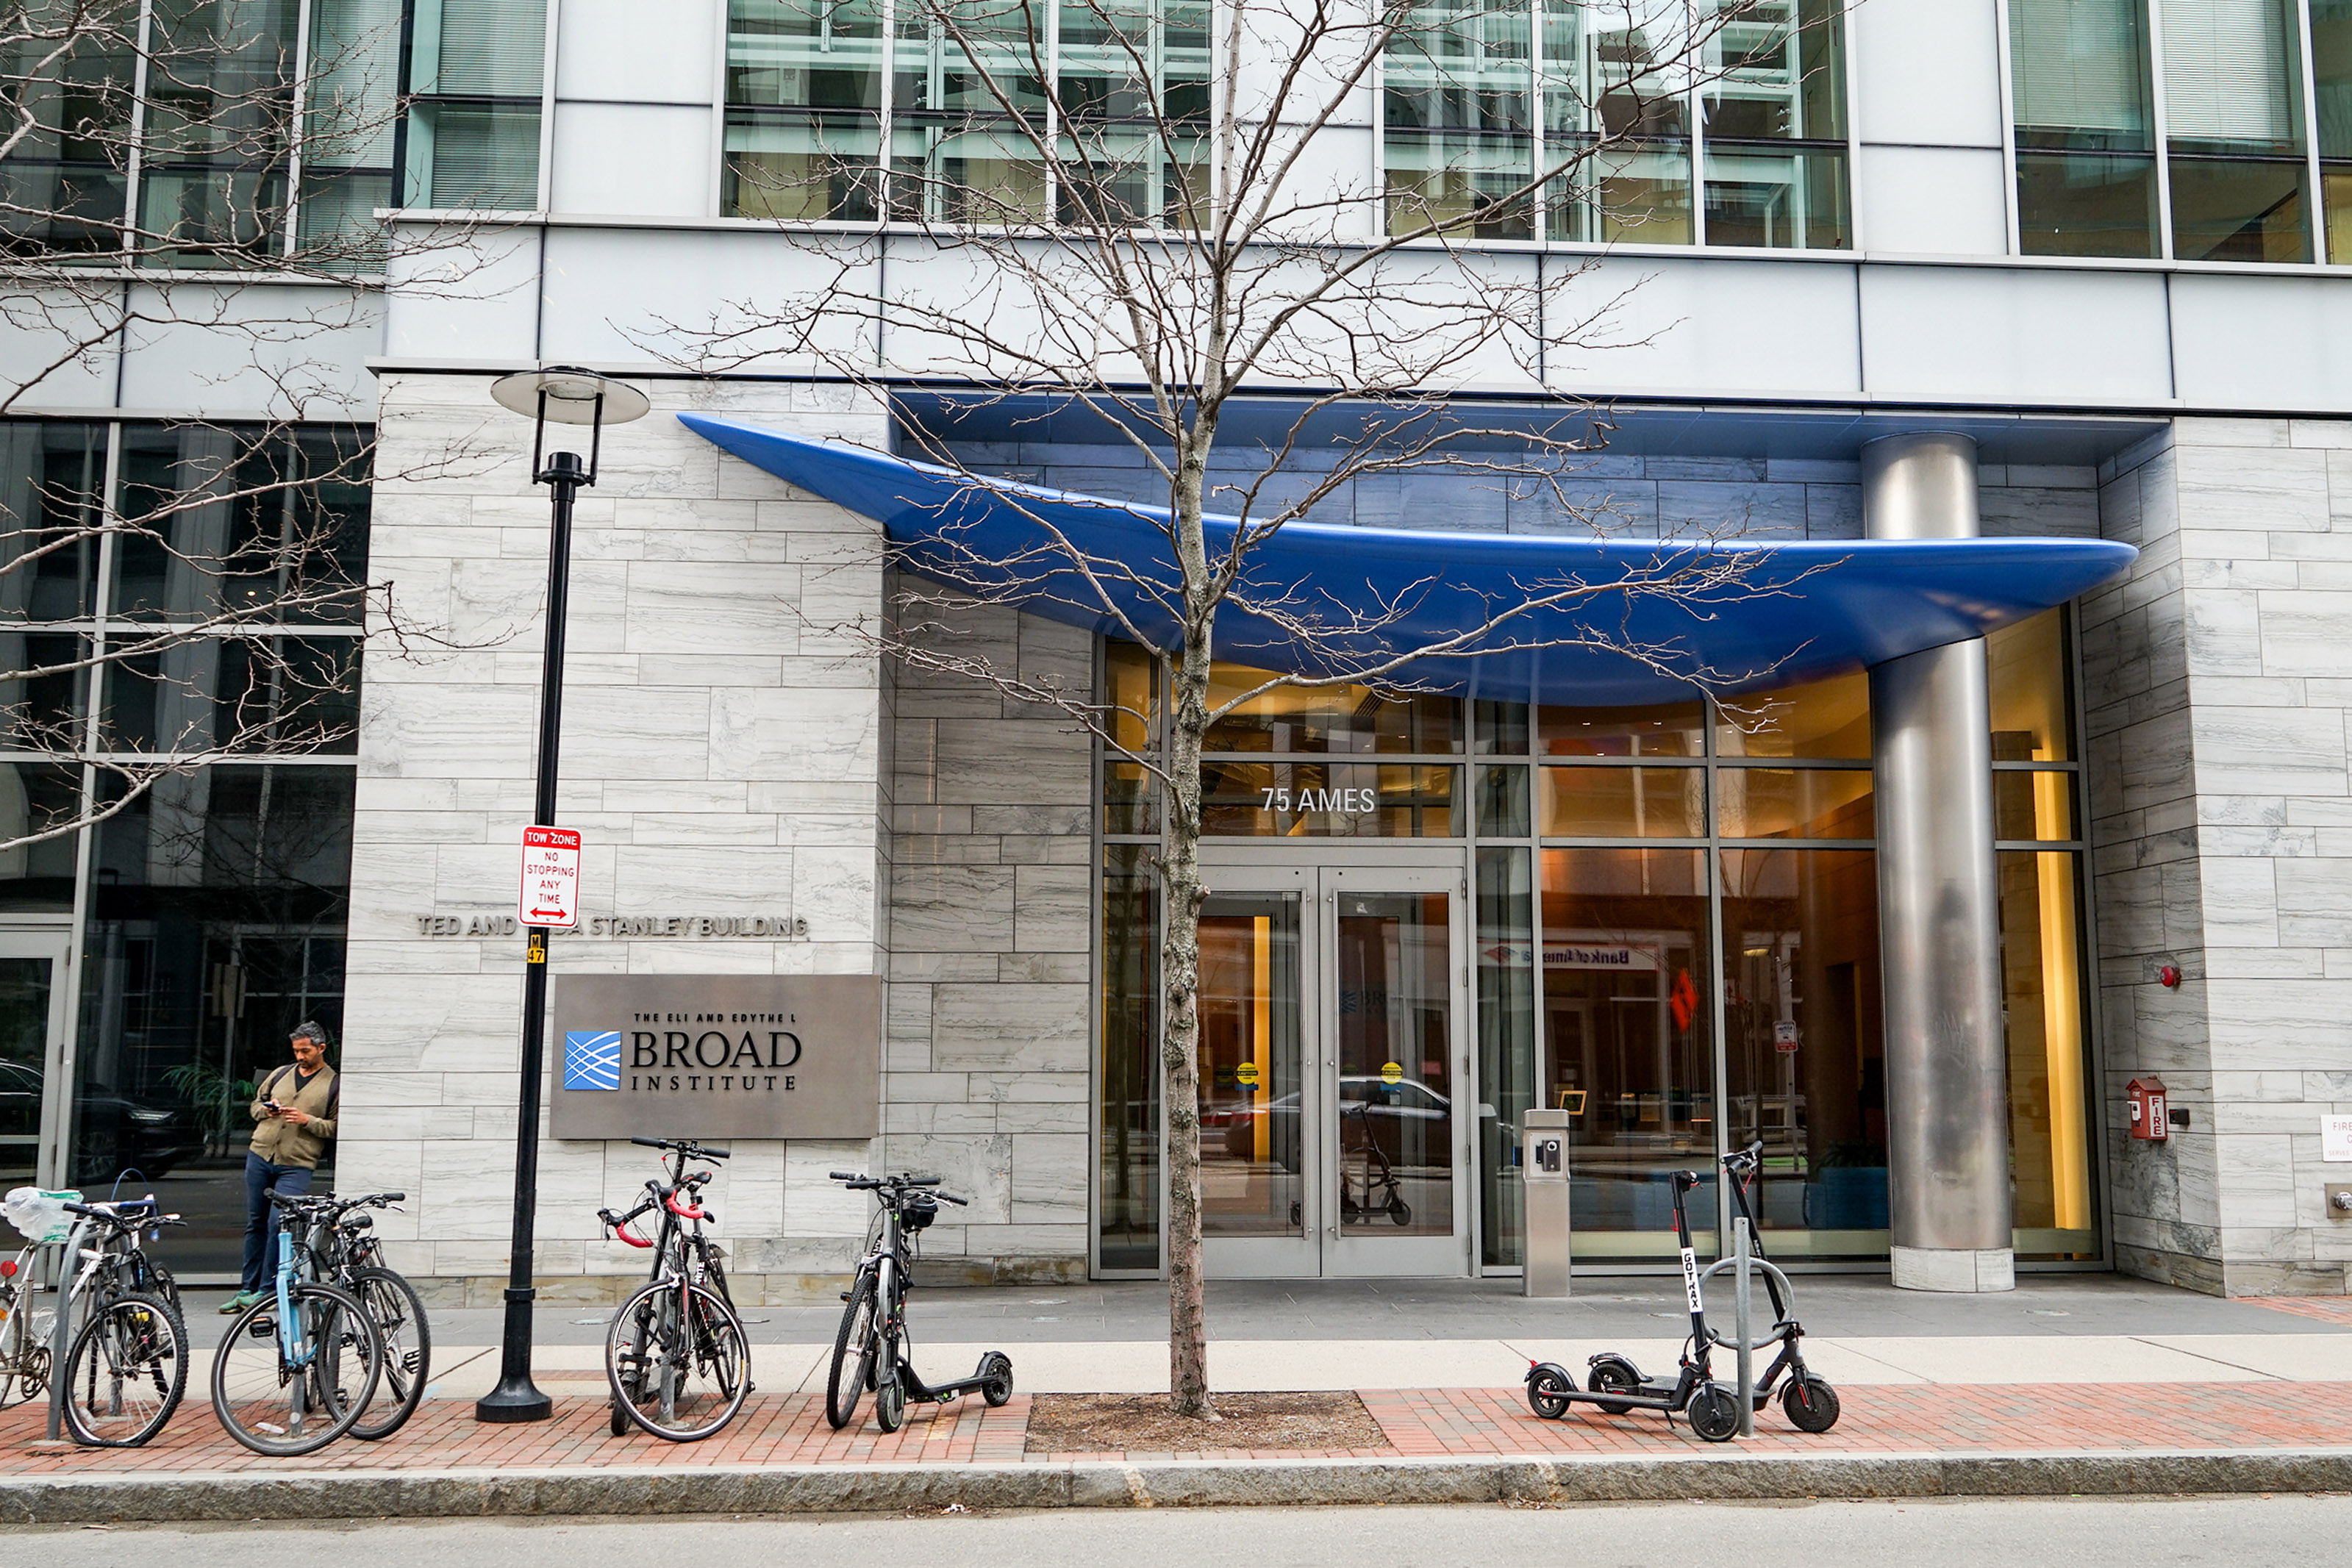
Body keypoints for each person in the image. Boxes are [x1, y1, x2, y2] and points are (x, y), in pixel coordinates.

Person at [222, 1023, 340, 1314]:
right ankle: (246, 1288)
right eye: (296, 1051)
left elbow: (336, 1128)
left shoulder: (334, 1084)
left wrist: (306, 1120)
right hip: (260, 1155)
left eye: (306, 1051)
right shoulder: (280, 1074)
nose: (300, 1056)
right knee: (256, 1223)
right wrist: (268, 1110)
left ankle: (267, 1289)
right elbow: (255, 1107)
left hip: (296, 1164)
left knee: (279, 1224)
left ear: (321, 1048)